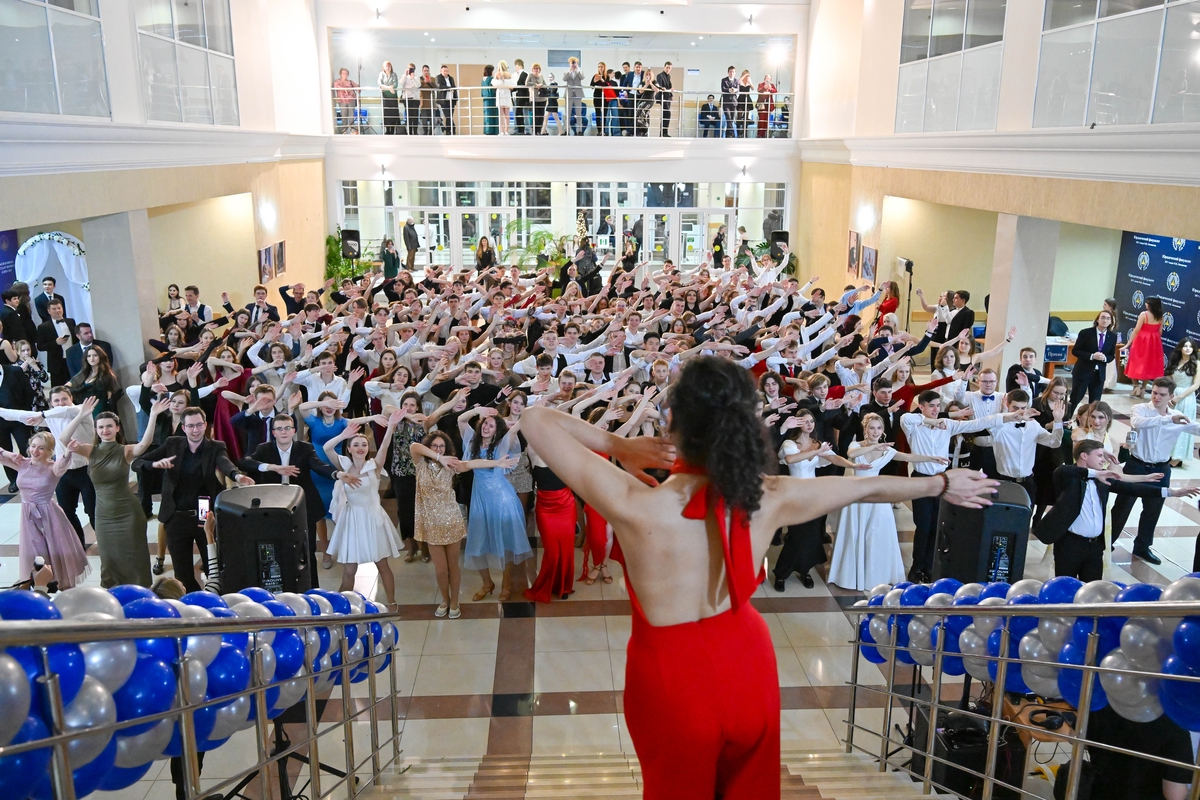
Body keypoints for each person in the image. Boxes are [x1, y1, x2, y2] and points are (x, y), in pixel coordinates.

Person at [521, 356, 997, 800]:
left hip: (670, 680)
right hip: (746, 663)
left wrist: (617, 444)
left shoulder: (633, 503)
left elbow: (534, 419)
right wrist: (940, 483)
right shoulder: (769, 495)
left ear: (672, 425)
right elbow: (865, 486)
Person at [901, 389, 1021, 582]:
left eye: (937, 406)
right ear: (921, 407)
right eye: (931, 406)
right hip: (921, 479)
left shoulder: (947, 425)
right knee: (923, 526)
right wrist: (935, 421)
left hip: (941, 480)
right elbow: (906, 418)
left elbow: (977, 423)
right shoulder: (913, 425)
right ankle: (916, 567)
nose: (935, 409)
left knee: (937, 526)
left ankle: (930, 567)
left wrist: (1007, 417)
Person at [131, 406, 255, 593]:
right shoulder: (172, 444)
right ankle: (192, 601)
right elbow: (137, 463)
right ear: (183, 427)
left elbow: (224, 462)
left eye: (199, 425)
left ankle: (215, 599)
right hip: (175, 515)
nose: (195, 430)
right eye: (190, 426)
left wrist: (237, 476)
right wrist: (154, 464)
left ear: (205, 425)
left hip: (204, 515)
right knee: (182, 572)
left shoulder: (215, 446)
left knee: (213, 566)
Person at [1036, 439, 1197, 581]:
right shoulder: (1067, 477)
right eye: (1099, 456)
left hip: (1095, 547)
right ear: (1084, 456)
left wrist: (1171, 492)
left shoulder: (1103, 480)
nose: (1103, 460)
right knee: (1066, 587)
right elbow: (1063, 470)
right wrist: (1095, 473)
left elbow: (1133, 489)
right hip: (1069, 546)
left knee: (1093, 590)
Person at [828, 413, 948, 591]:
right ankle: (851, 576)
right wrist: (874, 447)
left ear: (883, 430)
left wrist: (932, 458)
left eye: (879, 428)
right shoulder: (857, 445)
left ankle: (875, 575)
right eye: (872, 428)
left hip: (877, 496)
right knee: (855, 533)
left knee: (876, 533)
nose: (875, 432)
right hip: (856, 496)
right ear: (865, 429)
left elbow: (908, 457)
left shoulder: (887, 451)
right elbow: (851, 453)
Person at [63, 396, 170, 587]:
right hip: (104, 515)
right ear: (96, 430)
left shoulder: (125, 450)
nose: (105, 430)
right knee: (109, 557)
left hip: (129, 513)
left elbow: (144, 444)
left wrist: (153, 415)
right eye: (101, 427)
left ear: (117, 428)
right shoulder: (90, 451)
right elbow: (64, 439)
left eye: (109, 426)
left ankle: (140, 590)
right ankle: (114, 594)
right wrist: (80, 415)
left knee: (134, 556)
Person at [1109, 377, 1200, 565]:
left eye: (1162, 395)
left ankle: (1142, 547)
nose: (1156, 397)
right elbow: (1138, 423)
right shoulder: (1141, 409)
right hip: (1136, 465)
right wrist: (1168, 419)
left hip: (1161, 469)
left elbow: (1195, 428)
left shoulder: (1177, 415)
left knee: (1152, 510)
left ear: (1171, 396)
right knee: (1122, 507)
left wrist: (1172, 418)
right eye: (1155, 393)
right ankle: (1106, 542)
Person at [322, 417, 403, 608]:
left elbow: (385, 445)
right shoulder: (343, 465)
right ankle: (340, 606)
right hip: (352, 519)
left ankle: (392, 603)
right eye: (356, 444)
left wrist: (391, 426)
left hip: (372, 518)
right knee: (349, 570)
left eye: (364, 444)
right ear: (349, 449)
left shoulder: (374, 466)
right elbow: (327, 448)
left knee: (382, 565)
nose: (360, 448)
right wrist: (343, 435)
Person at [0, 431, 89, 589]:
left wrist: (67, 452)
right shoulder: (22, 463)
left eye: (41, 448)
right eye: (33, 446)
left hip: (49, 515)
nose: (35, 451)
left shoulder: (52, 467)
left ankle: (62, 588)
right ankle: (35, 588)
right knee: (34, 554)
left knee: (54, 553)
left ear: (49, 451)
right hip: (28, 515)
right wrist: (8, 453)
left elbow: (62, 464)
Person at [458, 406, 527, 601]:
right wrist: (477, 410)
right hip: (480, 498)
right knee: (477, 542)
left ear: (497, 431)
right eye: (485, 423)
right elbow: (461, 420)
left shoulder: (501, 445)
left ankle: (506, 584)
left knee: (506, 543)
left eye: (491, 426)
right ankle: (487, 583)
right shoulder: (471, 441)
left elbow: (516, 427)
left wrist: (531, 411)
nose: (486, 427)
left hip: (502, 499)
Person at [409, 431, 467, 617]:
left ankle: (455, 601)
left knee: (453, 566)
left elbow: (471, 464)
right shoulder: (421, 463)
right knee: (441, 569)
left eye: (442, 446)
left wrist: (497, 463)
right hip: (432, 524)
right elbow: (414, 446)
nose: (438, 449)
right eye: (435, 445)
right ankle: (445, 599)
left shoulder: (451, 465)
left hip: (451, 521)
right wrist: (438, 457)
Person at [1068, 308, 1117, 412]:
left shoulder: (1112, 336)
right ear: (1097, 320)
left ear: (1111, 322)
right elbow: (1076, 351)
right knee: (1075, 399)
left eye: (1108, 318)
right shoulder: (1086, 333)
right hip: (1083, 372)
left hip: (1099, 375)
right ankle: (1065, 419)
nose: (1105, 320)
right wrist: (1091, 356)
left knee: (1095, 403)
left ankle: (1091, 421)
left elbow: (1111, 355)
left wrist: (1105, 358)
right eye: (1103, 317)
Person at [0, 357, 34, 493]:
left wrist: (23, 413)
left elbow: (28, 391)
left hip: (18, 418)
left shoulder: (14, 371)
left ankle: (29, 475)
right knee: (4, 451)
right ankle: (13, 480)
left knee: (25, 446)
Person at [1165, 338, 1200, 466]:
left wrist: (1179, 397)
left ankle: (1178, 457)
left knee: (1183, 426)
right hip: (1173, 394)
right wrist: (1169, 395)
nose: (1188, 348)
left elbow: (1196, 385)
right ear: (1180, 348)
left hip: (1186, 397)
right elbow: (1169, 378)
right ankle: (1169, 453)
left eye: (1190, 346)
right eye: (1185, 346)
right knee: (1170, 424)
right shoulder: (1175, 361)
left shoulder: (1196, 363)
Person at [68, 346, 120, 415]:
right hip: (83, 410)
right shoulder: (82, 373)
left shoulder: (107, 375)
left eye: (95, 355)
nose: (92, 359)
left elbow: (110, 400)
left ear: (100, 356)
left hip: (100, 410)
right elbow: (66, 387)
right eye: (89, 356)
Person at [36, 298, 75, 387]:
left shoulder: (71, 321)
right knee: (58, 388)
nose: (57, 311)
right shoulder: (43, 327)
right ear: (49, 311)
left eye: (59, 308)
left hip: (72, 360)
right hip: (56, 363)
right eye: (54, 309)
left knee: (75, 387)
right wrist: (55, 343)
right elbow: (40, 346)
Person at [333, 67, 359, 134]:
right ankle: (344, 130)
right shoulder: (337, 81)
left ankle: (352, 130)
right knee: (344, 115)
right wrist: (344, 89)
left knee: (351, 116)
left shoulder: (350, 82)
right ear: (340, 74)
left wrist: (352, 89)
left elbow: (358, 87)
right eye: (343, 73)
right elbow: (336, 86)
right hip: (342, 101)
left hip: (351, 100)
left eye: (346, 73)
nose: (345, 74)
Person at [563, 56, 585, 135]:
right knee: (567, 113)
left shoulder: (580, 71)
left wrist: (577, 70)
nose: (573, 64)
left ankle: (579, 130)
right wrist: (570, 71)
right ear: (569, 64)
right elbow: (564, 79)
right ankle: (567, 130)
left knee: (578, 113)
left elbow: (582, 77)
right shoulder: (566, 72)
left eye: (574, 63)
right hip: (569, 94)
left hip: (577, 94)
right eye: (572, 63)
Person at [434, 64, 457, 135]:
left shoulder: (451, 78)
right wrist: (449, 88)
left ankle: (448, 131)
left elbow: (454, 87)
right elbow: (439, 86)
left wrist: (455, 97)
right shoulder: (438, 77)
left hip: (451, 100)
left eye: (447, 71)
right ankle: (453, 128)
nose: (446, 72)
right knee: (448, 116)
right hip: (443, 100)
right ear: (441, 71)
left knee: (449, 116)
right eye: (444, 71)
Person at [378, 61, 400, 135]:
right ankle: (387, 130)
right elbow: (380, 84)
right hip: (385, 97)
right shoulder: (381, 74)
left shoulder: (394, 74)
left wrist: (386, 87)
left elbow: (395, 84)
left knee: (393, 113)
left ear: (391, 67)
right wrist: (389, 88)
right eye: (386, 66)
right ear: (384, 67)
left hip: (393, 97)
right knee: (386, 113)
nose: (387, 68)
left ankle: (392, 130)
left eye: (389, 66)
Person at [653, 61, 673, 136]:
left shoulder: (669, 76)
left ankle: (663, 133)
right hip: (662, 96)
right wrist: (663, 88)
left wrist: (671, 94)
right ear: (664, 67)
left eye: (669, 68)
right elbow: (659, 85)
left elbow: (669, 86)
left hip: (667, 97)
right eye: (667, 67)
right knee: (667, 114)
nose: (668, 69)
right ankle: (664, 133)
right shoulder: (660, 75)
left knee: (665, 115)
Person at [590, 62, 609, 136]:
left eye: (601, 67)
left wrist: (602, 79)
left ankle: (603, 130)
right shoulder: (595, 76)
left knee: (604, 114)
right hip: (597, 96)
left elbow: (607, 85)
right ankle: (599, 130)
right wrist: (595, 81)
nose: (600, 68)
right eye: (599, 67)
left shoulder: (607, 76)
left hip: (605, 97)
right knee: (597, 113)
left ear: (604, 68)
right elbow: (591, 86)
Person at [513, 59, 530, 135]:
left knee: (523, 113)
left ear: (520, 66)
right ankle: (519, 129)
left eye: (517, 67)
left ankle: (525, 130)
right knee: (517, 113)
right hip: (517, 96)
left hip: (523, 96)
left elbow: (524, 86)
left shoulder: (525, 74)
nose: (516, 69)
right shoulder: (514, 75)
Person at [720, 66, 738, 138]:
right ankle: (731, 133)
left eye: (733, 72)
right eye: (730, 72)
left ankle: (729, 134)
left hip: (733, 101)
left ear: (735, 73)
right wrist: (730, 90)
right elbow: (723, 89)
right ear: (728, 72)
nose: (732, 73)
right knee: (728, 116)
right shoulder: (724, 80)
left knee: (732, 118)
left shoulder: (736, 81)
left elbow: (738, 89)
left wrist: (735, 90)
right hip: (726, 101)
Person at [418, 64, 436, 135]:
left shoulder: (433, 79)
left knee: (433, 118)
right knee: (424, 119)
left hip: (432, 101)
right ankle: (425, 131)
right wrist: (424, 82)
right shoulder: (419, 79)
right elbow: (418, 87)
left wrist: (430, 82)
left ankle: (431, 132)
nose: (426, 72)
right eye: (424, 70)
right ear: (422, 71)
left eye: (427, 70)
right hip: (423, 101)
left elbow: (436, 87)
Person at [481, 64, 498, 135]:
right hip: (491, 98)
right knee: (492, 114)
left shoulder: (483, 79)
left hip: (485, 98)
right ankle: (492, 130)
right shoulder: (491, 79)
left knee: (486, 114)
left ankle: (487, 130)